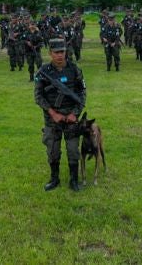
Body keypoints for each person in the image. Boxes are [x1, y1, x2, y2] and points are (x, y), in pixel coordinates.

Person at [34, 38, 87, 192]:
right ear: (50, 53)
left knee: (73, 150)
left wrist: (75, 114)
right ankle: (54, 179)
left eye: (62, 52)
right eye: (56, 52)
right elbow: (38, 97)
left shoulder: (74, 69)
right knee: (53, 150)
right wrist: (53, 113)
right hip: (52, 119)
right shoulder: (43, 72)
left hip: (71, 118)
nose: (59, 55)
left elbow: (82, 93)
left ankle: (73, 180)